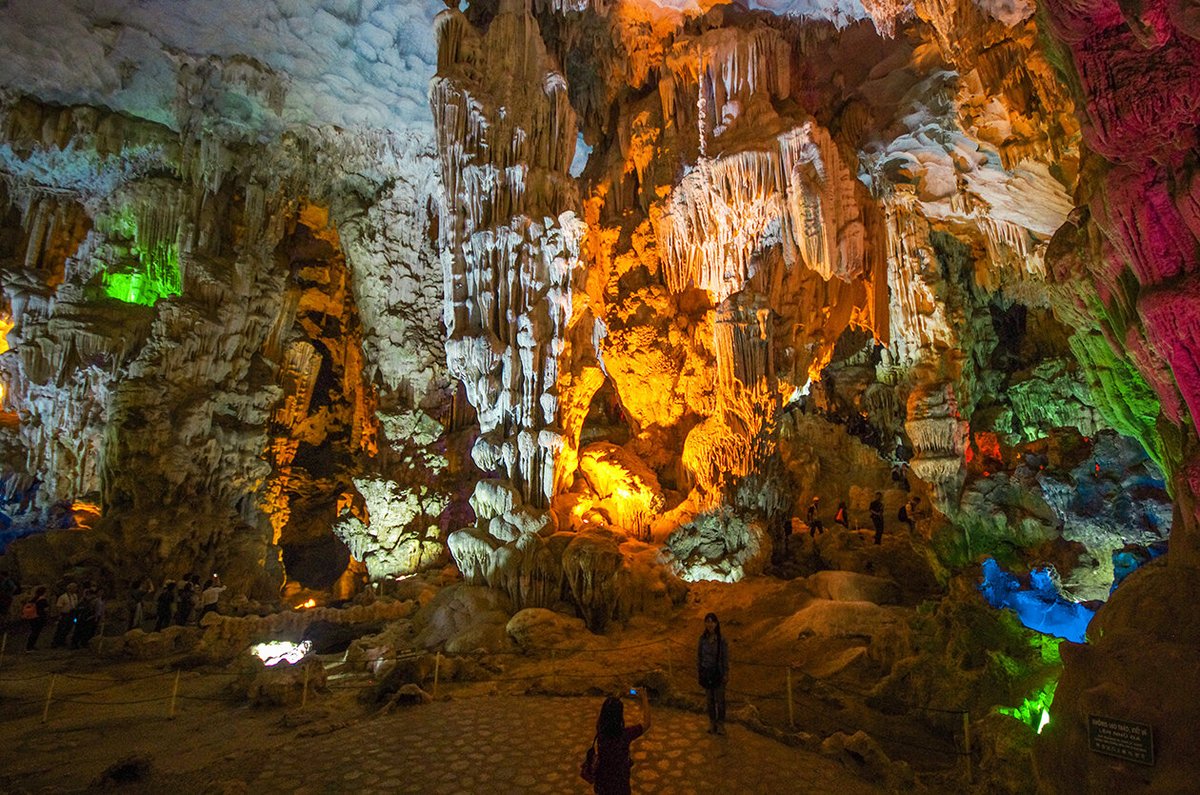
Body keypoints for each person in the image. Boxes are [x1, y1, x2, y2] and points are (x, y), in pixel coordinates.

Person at [591, 690, 651, 795]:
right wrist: (644, 698)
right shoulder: (625, 735)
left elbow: (601, 718)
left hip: (603, 778)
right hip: (620, 780)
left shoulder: (601, 730)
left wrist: (616, 697)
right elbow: (646, 723)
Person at [697, 612, 729, 734]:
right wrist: (700, 671)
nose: (710, 624)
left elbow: (725, 658)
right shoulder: (702, 639)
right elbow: (699, 656)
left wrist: (726, 673)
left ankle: (721, 724)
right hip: (706, 673)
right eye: (707, 621)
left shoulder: (722, 640)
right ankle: (712, 722)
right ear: (705, 623)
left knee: (720, 700)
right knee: (710, 700)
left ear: (716, 623)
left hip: (718, 673)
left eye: (712, 621)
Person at [50, 582, 79, 648]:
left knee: (69, 627)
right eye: (74, 588)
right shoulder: (63, 597)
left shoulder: (75, 596)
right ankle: (55, 642)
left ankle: (62, 640)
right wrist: (59, 615)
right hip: (65, 614)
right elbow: (59, 606)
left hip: (72, 613)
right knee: (61, 628)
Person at [23, 585, 50, 651]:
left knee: (33, 631)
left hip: (32, 617)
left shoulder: (34, 598)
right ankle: (30, 646)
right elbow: (45, 609)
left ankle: (30, 645)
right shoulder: (42, 600)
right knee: (36, 632)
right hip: (39, 617)